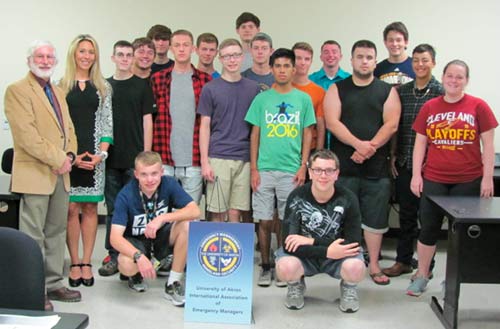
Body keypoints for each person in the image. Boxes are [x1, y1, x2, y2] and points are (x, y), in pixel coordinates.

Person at [407, 60, 498, 296]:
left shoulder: (479, 106)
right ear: (443, 77)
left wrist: (487, 178)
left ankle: (453, 279)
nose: (454, 81)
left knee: (461, 233)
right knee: (427, 229)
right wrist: (417, 175)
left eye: (459, 77)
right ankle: (421, 275)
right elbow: (420, 144)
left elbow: (488, 145)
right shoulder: (430, 107)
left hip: (467, 179)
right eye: (450, 76)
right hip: (434, 179)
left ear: (466, 80)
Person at [4, 40, 80, 311]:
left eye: (50, 56)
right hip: (36, 172)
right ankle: (33, 289)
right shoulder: (17, 91)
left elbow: (68, 129)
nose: (46, 60)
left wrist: (70, 155)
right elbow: (27, 136)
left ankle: (53, 282)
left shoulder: (57, 91)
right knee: (33, 234)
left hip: (62, 173)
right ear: (29, 60)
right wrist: (59, 158)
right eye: (40, 56)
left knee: (57, 231)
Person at [323, 40, 401, 286]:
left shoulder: (387, 91)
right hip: (344, 168)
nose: (364, 61)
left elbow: (391, 124)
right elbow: (332, 122)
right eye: (360, 57)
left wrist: (369, 149)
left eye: (369, 57)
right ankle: (343, 264)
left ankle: (375, 266)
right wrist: (358, 145)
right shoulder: (337, 89)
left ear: (375, 61)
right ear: (352, 60)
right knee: (342, 218)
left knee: (375, 220)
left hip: (376, 169)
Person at [245, 48, 316, 287]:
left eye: (287, 66)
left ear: (294, 69)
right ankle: (265, 265)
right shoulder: (262, 99)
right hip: (264, 169)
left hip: (291, 170)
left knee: (287, 220)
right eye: (278, 66)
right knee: (264, 220)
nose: (282, 70)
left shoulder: (303, 99)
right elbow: (254, 134)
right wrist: (254, 169)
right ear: (272, 69)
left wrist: (303, 166)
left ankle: (284, 262)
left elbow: (308, 133)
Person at [275, 150, 365, 312]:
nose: (323, 175)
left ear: (337, 174)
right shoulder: (296, 197)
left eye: (329, 170)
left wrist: (312, 241)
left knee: (356, 267)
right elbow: (288, 244)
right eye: (318, 170)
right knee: (285, 266)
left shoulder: (348, 198)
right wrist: (328, 250)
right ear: (310, 172)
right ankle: (295, 285)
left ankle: (349, 287)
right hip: (306, 255)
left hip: (337, 255)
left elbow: (353, 243)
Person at [382, 44, 444, 278]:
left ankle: (427, 266)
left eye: (425, 60)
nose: (420, 64)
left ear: (433, 63)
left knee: (428, 218)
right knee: (406, 215)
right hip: (405, 162)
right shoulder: (402, 92)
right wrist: (393, 156)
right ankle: (403, 261)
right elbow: (395, 127)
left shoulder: (440, 91)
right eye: (416, 60)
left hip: (433, 166)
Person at [110, 151, 200, 306]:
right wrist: (139, 257)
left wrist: (162, 218)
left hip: (161, 237)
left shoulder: (169, 184)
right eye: (144, 174)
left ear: (162, 173)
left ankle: (172, 283)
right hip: (137, 241)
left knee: (188, 225)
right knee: (126, 264)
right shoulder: (125, 195)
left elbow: (195, 210)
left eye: (154, 174)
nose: (150, 179)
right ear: (136, 174)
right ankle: (136, 274)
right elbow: (114, 238)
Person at [59, 34, 113, 288]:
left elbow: (107, 124)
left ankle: (87, 262)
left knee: (90, 209)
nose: (86, 56)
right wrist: (71, 156)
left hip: (94, 160)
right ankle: (74, 262)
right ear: (74, 54)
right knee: (71, 209)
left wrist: (100, 154)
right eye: (82, 51)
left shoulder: (103, 87)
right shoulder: (61, 86)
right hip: (70, 159)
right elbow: (57, 126)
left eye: (91, 52)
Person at [98, 40, 155, 277]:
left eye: (128, 54)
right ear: (112, 58)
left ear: (133, 58)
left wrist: (146, 157)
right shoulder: (104, 87)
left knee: (136, 210)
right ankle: (113, 255)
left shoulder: (141, 86)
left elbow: (147, 121)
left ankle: (136, 256)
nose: (124, 58)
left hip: (135, 161)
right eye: (119, 54)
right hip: (110, 160)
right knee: (113, 210)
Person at [198, 38, 260, 222]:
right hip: (218, 157)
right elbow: (204, 126)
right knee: (217, 210)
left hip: (244, 157)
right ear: (220, 58)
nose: (232, 60)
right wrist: (204, 162)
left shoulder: (253, 88)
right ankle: (216, 250)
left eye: (235, 55)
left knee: (236, 212)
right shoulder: (210, 88)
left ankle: (233, 251)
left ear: (242, 57)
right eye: (227, 56)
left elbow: (257, 128)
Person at [150, 29, 212, 204]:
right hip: (164, 159)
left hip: (194, 160)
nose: (181, 49)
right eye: (177, 45)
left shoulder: (205, 81)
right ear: (171, 48)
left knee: (190, 215)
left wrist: (205, 159)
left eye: (186, 45)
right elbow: (151, 119)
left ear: (193, 49)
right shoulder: (158, 79)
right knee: (163, 214)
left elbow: (209, 123)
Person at [308, 40, 350, 150]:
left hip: (343, 140)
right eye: (326, 52)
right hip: (315, 140)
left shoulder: (350, 81)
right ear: (321, 57)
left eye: (334, 52)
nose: (330, 55)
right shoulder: (310, 80)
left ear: (340, 56)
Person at [292, 42, 326, 151]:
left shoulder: (319, 91)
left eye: (307, 59)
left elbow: (320, 126)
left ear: (311, 62)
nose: (303, 63)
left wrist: (318, 153)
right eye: (298, 58)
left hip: (309, 149)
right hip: (285, 149)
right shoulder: (278, 87)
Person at [374, 22, 415, 86]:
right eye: (391, 40)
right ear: (385, 42)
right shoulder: (377, 69)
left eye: (398, 40)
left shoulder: (417, 66)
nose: (394, 44)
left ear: (406, 42)